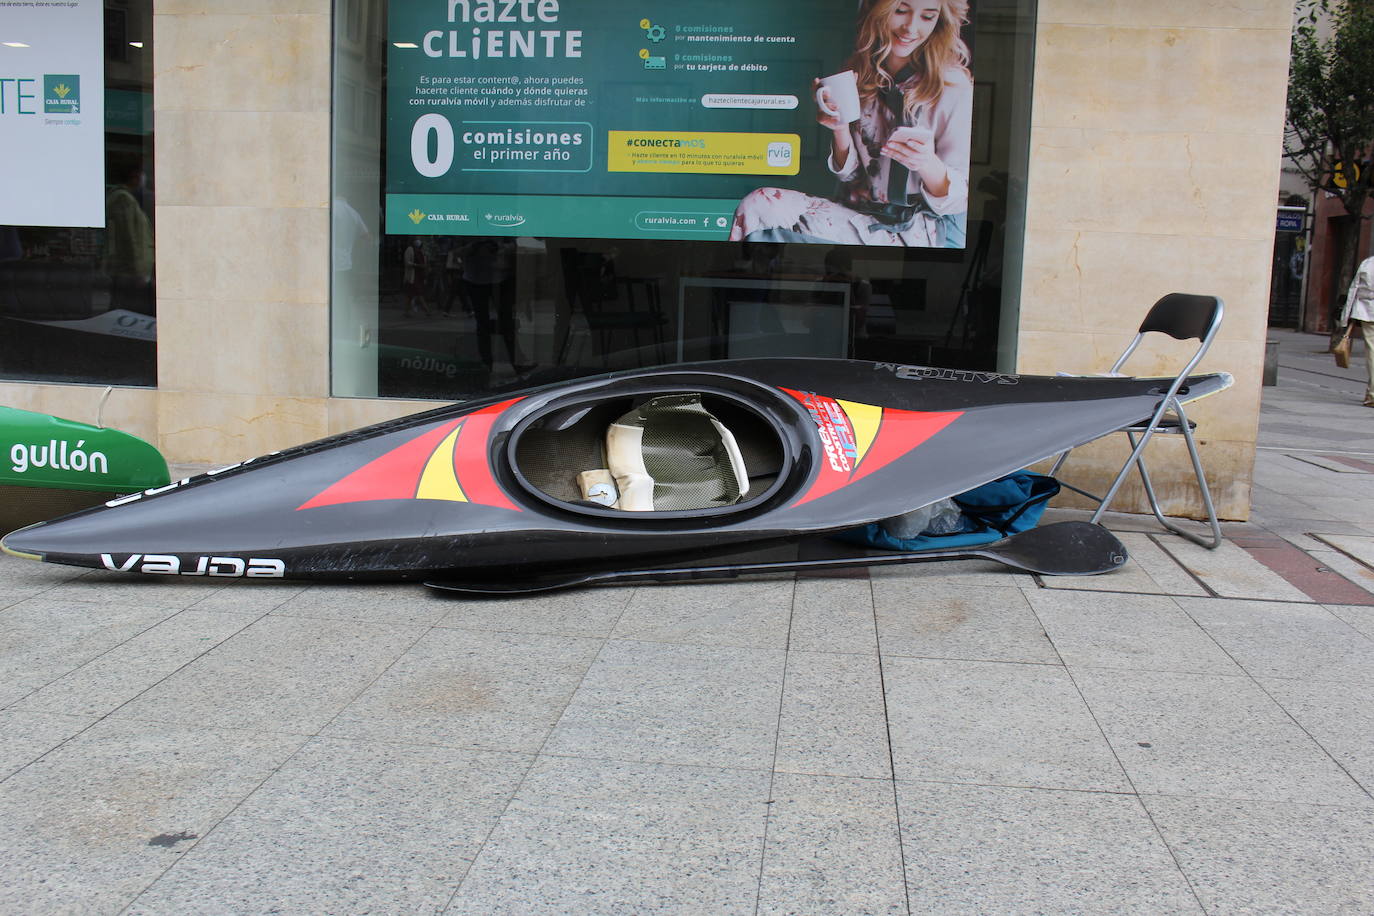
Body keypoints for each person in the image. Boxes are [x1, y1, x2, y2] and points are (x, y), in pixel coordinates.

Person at [729, 0, 972, 248]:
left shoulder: (953, 86)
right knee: (759, 204)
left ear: (939, 21)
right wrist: (839, 128)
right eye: (901, 11)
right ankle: (740, 281)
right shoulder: (858, 76)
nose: (911, 27)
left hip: (919, 228)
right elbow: (853, 176)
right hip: (862, 216)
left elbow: (959, 199)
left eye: (927, 17)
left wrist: (926, 163)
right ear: (879, 11)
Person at [1340, 254, 1374, 407]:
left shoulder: (1367, 263)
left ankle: (1372, 393)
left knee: (1372, 354)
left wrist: (1345, 317)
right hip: (1367, 312)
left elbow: (1354, 289)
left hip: (1367, 312)